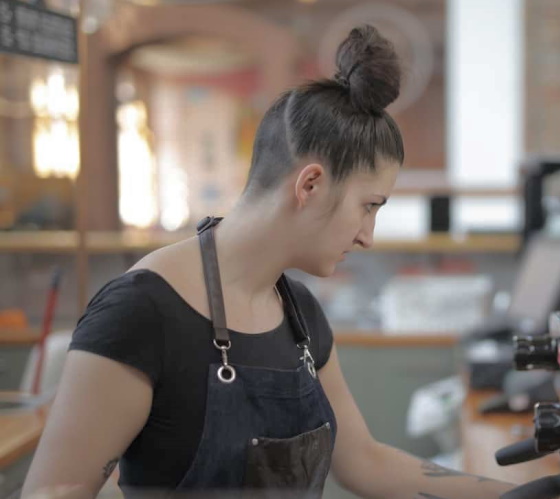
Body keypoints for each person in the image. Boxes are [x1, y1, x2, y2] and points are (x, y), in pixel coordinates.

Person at [22, 25, 519, 499]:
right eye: (368, 206)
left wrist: (517, 494)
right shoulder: (140, 313)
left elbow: (365, 462)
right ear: (310, 184)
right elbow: (53, 491)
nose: (368, 236)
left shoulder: (299, 314)